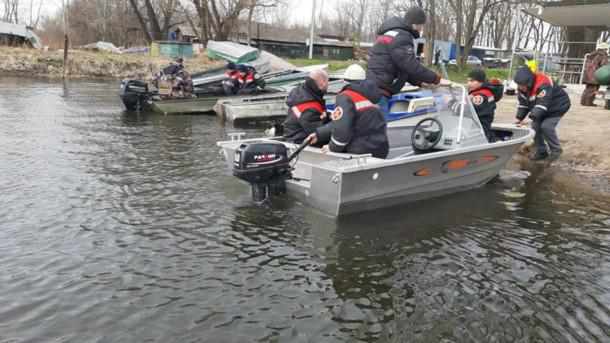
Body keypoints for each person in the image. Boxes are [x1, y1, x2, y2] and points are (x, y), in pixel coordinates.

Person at [366, 6, 449, 110]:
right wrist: (437, 79)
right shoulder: (402, 37)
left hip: (374, 86)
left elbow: (402, 68)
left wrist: (420, 82)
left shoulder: (391, 33)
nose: (421, 29)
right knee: (379, 123)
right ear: (415, 24)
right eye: (421, 25)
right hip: (380, 91)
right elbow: (410, 65)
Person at [311, 65, 389, 159]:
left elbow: (342, 129)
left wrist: (332, 147)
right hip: (380, 149)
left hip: (358, 151)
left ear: (344, 81)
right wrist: (320, 134)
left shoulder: (345, 97)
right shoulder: (374, 96)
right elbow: (357, 120)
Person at [513, 66, 571, 161]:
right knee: (535, 127)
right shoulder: (522, 88)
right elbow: (523, 104)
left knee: (546, 127)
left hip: (557, 106)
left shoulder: (543, 84)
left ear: (529, 82)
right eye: (518, 85)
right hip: (542, 108)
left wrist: (530, 119)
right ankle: (542, 151)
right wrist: (519, 119)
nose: (520, 88)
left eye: (522, 85)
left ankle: (556, 150)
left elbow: (542, 104)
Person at [283, 69, 330, 145]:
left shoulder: (301, 92)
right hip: (300, 142)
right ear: (322, 82)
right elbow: (316, 131)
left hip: (293, 136)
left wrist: (327, 116)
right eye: (328, 82)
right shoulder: (309, 105)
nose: (328, 85)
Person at [467, 69, 503, 142]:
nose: (469, 84)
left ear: (481, 82)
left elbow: (469, 110)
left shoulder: (480, 96)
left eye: (472, 81)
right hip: (480, 123)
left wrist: (453, 105)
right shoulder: (484, 92)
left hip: (479, 126)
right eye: (468, 81)